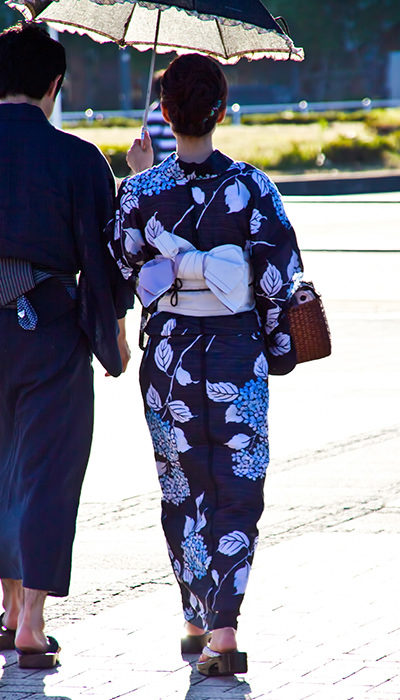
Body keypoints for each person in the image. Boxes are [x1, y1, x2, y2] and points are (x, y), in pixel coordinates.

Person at [108, 53, 303, 677]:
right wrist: (275, 350)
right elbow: (278, 278)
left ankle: (194, 616)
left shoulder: (142, 190)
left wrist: (137, 178)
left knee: (182, 485)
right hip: (235, 354)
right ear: (220, 111)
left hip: (169, 362)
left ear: (165, 113)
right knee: (237, 487)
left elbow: (119, 265)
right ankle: (223, 631)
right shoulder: (251, 187)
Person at [0, 22, 132, 669]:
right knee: (45, 474)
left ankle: (4, 606)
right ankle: (30, 623)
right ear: (55, 85)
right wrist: (112, 336)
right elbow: (104, 265)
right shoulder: (81, 160)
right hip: (48, 333)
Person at [146, 70, 176, 165]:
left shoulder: (152, 112)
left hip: (160, 163)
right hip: (175, 160)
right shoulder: (177, 110)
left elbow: (151, 140)